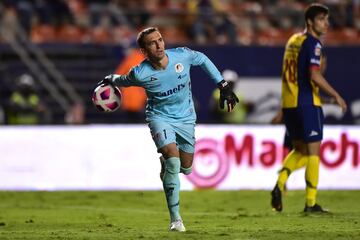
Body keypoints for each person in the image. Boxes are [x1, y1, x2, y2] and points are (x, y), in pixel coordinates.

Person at [96, 27, 239, 231]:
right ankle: (176, 220)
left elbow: (204, 60)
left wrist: (223, 85)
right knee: (173, 161)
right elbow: (123, 81)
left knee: (186, 168)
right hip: (159, 117)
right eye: (152, 43)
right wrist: (111, 78)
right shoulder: (141, 72)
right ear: (144, 51)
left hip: (186, 118)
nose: (159, 45)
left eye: (160, 40)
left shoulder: (182, 56)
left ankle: (167, 163)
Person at [271, 3, 347, 213]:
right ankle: (311, 202)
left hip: (289, 104)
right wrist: (336, 95)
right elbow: (314, 74)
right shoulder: (313, 43)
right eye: (322, 19)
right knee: (313, 153)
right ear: (310, 22)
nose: (327, 23)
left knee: (300, 150)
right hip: (307, 103)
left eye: (327, 19)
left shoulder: (293, 40)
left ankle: (279, 184)